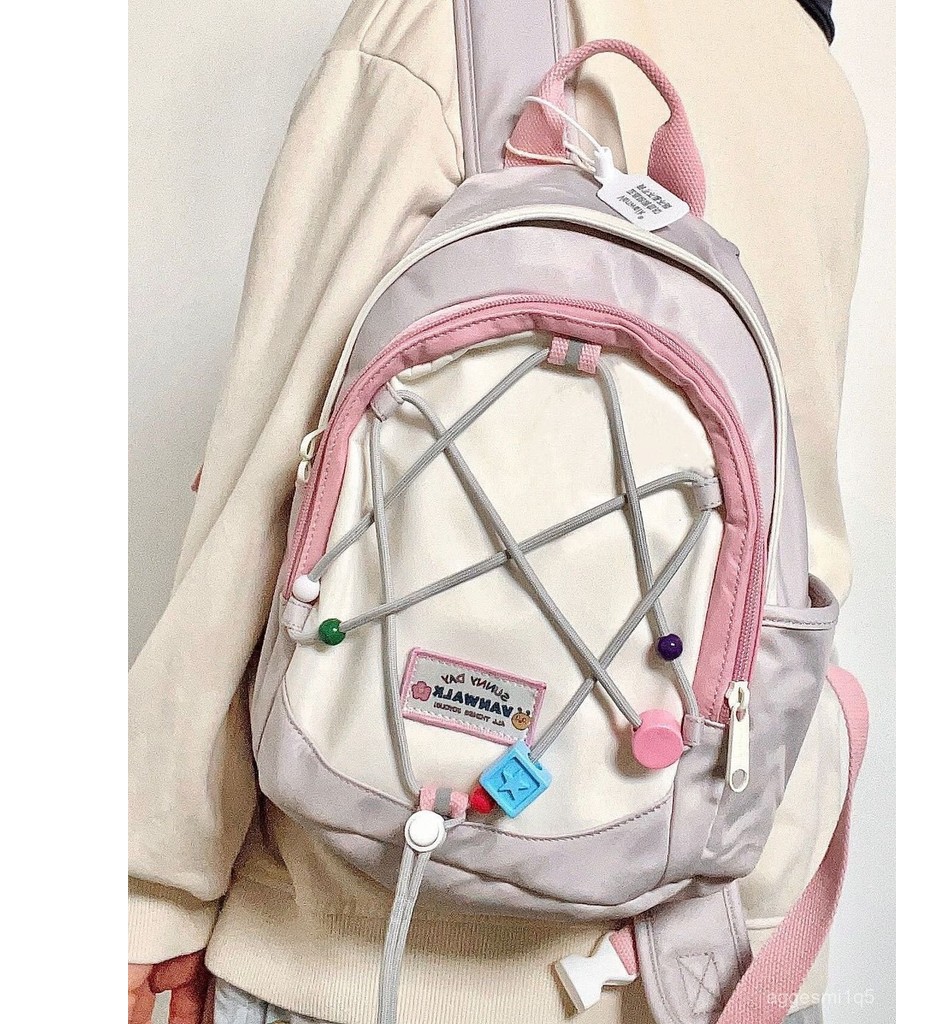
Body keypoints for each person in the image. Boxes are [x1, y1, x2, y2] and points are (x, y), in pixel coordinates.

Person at [128, 1, 867, 1021]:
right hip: (715, 948)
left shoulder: (449, 19)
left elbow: (262, 467)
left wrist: (154, 888)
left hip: (369, 951)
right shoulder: (813, 72)